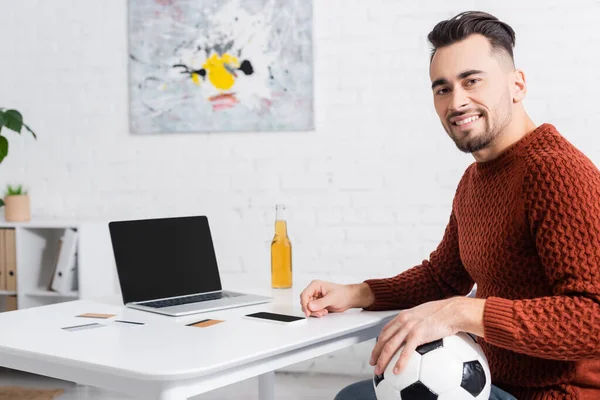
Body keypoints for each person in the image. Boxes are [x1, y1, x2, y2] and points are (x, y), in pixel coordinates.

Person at [300, 10, 600, 400]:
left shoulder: (556, 172)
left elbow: (593, 317)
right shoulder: (476, 179)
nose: (457, 102)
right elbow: (442, 278)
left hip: (555, 393)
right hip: (491, 378)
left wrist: (463, 312)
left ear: (517, 84)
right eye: (442, 88)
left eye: (472, 81)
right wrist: (356, 293)